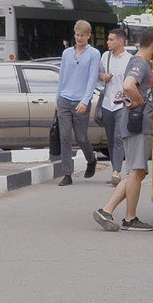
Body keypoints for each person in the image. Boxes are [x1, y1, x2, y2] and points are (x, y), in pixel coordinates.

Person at [93, 28, 153, 232]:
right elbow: (128, 85)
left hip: (136, 124)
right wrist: (140, 102)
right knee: (136, 171)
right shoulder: (140, 63)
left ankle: (106, 211)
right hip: (136, 124)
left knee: (138, 172)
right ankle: (129, 218)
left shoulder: (141, 62)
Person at [55, 20, 101, 186]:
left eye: (82, 35)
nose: (79, 38)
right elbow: (62, 76)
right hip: (65, 99)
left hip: (81, 100)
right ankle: (67, 174)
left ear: (88, 36)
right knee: (65, 136)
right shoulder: (67, 53)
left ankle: (91, 159)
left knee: (81, 137)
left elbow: (92, 79)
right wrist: (57, 98)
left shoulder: (94, 54)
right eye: (77, 35)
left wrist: (85, 100)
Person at [97, 28, 132, 186]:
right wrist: (102, 76)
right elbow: (99, 74)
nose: (108, 42)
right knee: (110, 138)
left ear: (120, 41)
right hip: (107, 103)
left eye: (111, 39)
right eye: (108, 39)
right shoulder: (105, 57)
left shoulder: (130, 59)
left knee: (119, 137)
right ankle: (114, 168)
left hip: (122, 104)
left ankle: (116, 171)